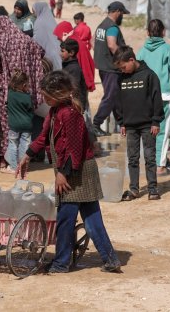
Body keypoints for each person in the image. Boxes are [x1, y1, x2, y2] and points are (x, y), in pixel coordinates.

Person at [17, 71, 121, 274]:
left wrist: (62, 174)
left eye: (48, 96)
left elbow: (75, 149)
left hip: (77, 172)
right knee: (91, 218)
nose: (45, 100)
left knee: (66, 218)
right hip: (75, 170)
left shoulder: (70, 114)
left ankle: (61, 263)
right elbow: (43, 137)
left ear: (60, 94)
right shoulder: (55, 112)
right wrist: (27, 155)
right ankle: (110, 259)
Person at [0, 16, 45, 170]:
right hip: (24, 89)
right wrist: (28, 64)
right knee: (25, 128)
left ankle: (5, 160)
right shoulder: (26, 39)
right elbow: (41, 52)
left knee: (4, 125)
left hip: (5, 91)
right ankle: (23, 161)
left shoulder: (1, 40)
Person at [137, 19, 170, 176]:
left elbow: (136, 71)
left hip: (144, 96)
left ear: (147, 32)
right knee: (162, 132)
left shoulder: (142, 51)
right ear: (163, 32)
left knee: (147, 131)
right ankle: (159, 165)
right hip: (163, 96)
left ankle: (150, 162)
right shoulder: (168, 49)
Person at [113, 46, 164, 201]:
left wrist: (156, 121)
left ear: (131, 60)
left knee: (149, 157)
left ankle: (152, 188)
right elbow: (118, 101)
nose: (123, 70)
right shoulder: (121, 78)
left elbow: (157, 99)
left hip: (148, 125)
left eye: (123, 67)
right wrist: (121, 122)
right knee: (132, 158)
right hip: (130, 126)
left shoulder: (149, 75)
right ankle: (134, 189)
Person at [92, 1, 129, 137]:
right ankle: (96, 124)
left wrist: (101, 56)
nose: (122, 17)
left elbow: (92, 41)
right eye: (122, 14)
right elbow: (112, 45)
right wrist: (124, 59)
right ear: (117, 11)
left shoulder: (101, 25)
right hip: (111, 68)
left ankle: (122, 123)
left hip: (103, 65)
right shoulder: (112, 27)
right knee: (110, 96)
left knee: (116, 96)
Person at [4, 71, 33, 173]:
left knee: (13, 144)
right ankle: (23, 167)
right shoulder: (27, 97)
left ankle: (13, 167)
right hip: (27, 125)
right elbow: (30, 109)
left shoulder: (10, 93)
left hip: (14, 125)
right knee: (25, 145)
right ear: (24, 85)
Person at [31, 1, 63, 71]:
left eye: (34, 12)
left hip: (47, 55)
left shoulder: (39, 22)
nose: (33, 14)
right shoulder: (51, 20)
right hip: (58, 52)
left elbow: (37, 40)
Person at [60, 39, 88, 109]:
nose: (60, 54)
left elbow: (74, 89)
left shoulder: (74, 68)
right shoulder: (67, 66)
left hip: (75, 105)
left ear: (71, 53)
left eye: (63, 51)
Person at [73, 12, 96, 92]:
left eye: (75, 20)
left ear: (79, 20)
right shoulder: (87, 28)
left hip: (78, 48)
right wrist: (88, 48)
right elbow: (90, 39)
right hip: (85, 48)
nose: (75, 21)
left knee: (79, 65)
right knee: (87, 65)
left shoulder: (76, 28)